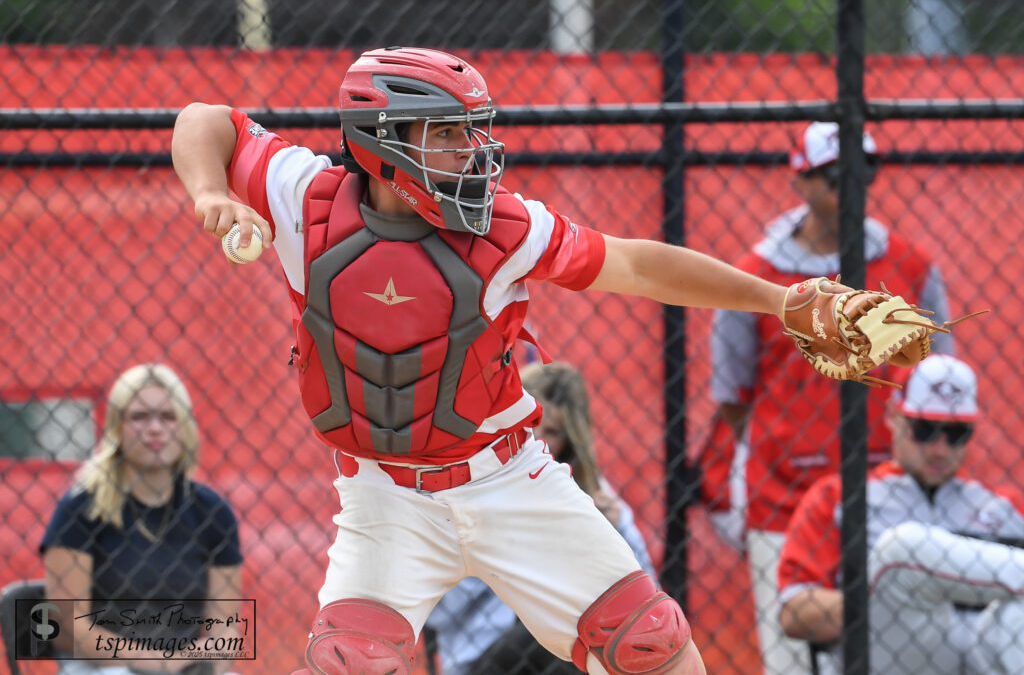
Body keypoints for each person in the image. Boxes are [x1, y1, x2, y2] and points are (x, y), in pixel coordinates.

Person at [169, 47, 940, 675]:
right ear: (382, 138)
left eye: (472, 131)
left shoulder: (505, 227)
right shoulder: (306, 198)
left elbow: (638, 266)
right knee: (348, 660)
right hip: (384, 499)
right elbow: (206, 120)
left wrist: (778, 301)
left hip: (508, 480)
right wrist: (210, 193)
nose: (470, 152)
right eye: (444, 134)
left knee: (651, 645)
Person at [703, 121, 954, 674]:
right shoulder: (757, 276)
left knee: (903, 647)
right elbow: (733, 392)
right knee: (792, 657)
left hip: (888, 489)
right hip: (784, 491)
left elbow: (939, 374)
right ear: (801, 181)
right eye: (835, 174)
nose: (851, 185)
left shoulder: (908, 265)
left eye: (863, 171)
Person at [778, 354, 1024, 674]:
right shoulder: (839, 499)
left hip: (981, 657)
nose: (940, 449)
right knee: (902, 549)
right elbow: (795, 613)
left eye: (956, 434)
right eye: (925, 430)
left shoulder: (1004, 506)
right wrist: (886, 600)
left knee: (1015, 615)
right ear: (895, 417)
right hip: (894, 651)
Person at [425, 361, 655, 675]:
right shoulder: (463, 486)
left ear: (571, 441)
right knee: (551, 645)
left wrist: (615, 532)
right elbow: (435, 613)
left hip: (567, 647)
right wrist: (492, 546)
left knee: (577, 647)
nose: (536, 440)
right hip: (479, 657)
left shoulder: (587, 495)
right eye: (529, 424)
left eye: (552, 432)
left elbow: (649, 599)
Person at [41, 364, 243, 674]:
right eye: (139, 417)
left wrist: (207, 664)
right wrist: (160, 664)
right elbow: (67, 628)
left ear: (185, 427)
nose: (154, 428)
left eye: (167, 416)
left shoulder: (213, 513)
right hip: (102, 667)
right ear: (116, 428)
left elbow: (226, 630)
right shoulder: (80, 508)